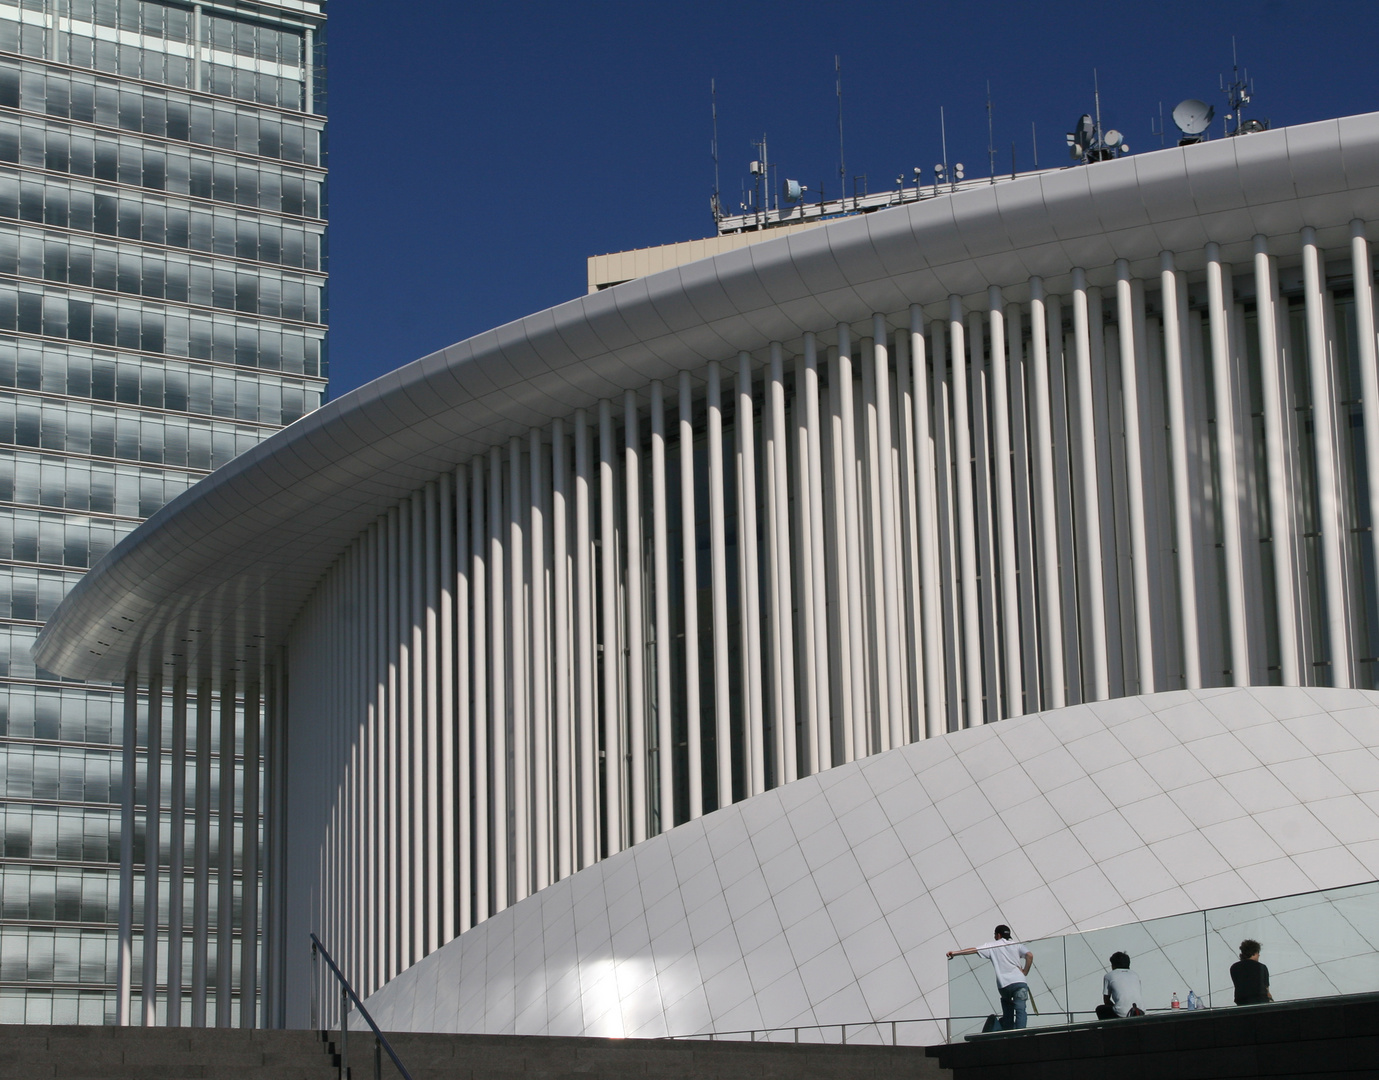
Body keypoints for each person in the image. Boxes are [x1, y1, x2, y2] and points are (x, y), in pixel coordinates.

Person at [948, 924, 1034, 1030]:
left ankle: (1009, 1032)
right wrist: (1025, 971)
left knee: (1008, 1011)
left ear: (998, 935)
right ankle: (1021, 1033)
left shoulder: (993, 946)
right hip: (1019, 981)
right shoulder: (1017, 945)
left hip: (1004, 984)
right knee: (1021, 1009)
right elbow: (1029, 955)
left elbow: (974, 950)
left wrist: (955, 953)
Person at [1095, 951, 1142, 1019]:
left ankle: (1109, 1028)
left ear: (1113, 965)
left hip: (1122, 1013)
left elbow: (1106, 1000)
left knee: (1100, 1009)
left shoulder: (1109, 976)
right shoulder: (1135, 975)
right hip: (1140, 1010)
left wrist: (1116, 1006)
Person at [1230, 939, 1272, 1006]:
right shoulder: (1261, 967)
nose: (1259, 955)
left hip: (1242, 1003)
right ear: (1254, 953)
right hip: (1260, 1003)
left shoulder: (1234, 967)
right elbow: (1266, 990)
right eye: (1258, 952)